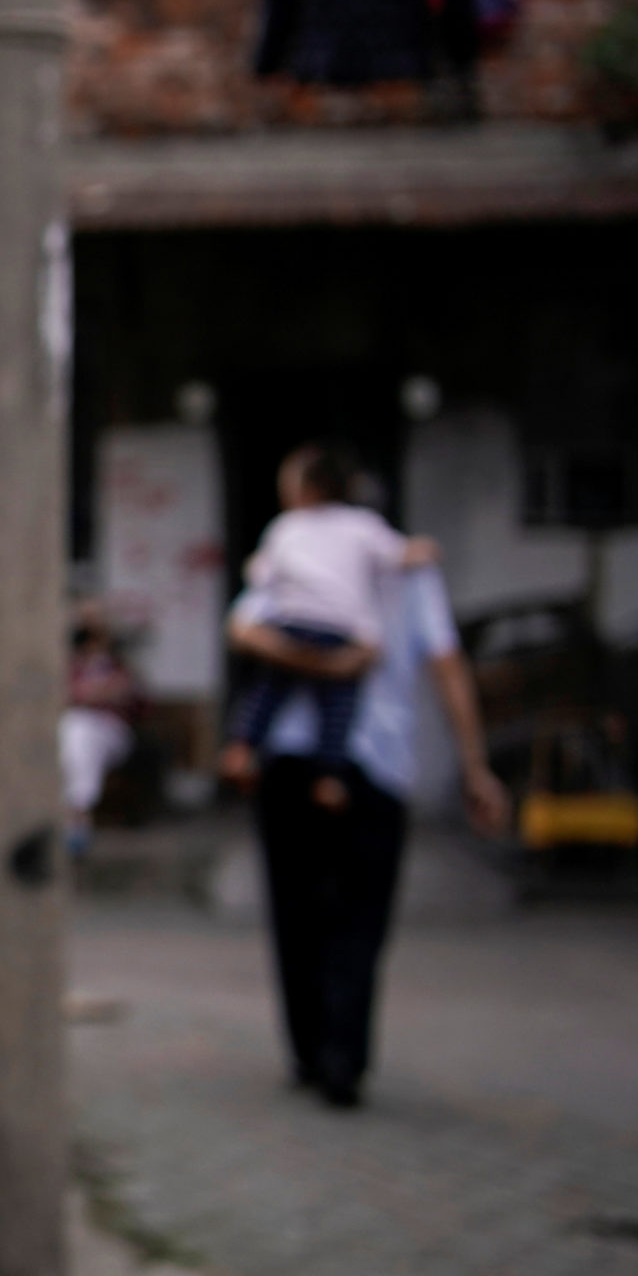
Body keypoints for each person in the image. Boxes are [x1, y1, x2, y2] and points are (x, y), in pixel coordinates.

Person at [229, 534, 509, 1111]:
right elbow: (447, 664)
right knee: (358, 919)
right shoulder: (407, 572)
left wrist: (313, 662)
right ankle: (342, 1060)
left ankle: (311, 1051)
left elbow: (247, 631)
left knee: (297, 911)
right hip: (377, 762)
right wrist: (474, 765)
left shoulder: (295, 551)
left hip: (296, 760)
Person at [219, 443, 437, 811]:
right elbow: (400, 554)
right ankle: (330, 778)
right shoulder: (362, 526)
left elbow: (259, 575)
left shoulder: (285, 527)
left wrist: (256, 566)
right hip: (339, 632)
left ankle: (241, 748)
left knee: (267, 692)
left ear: (306, 490)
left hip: (290, 624)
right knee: (338, 707)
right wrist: (424, 550)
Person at [60, 617, 140, 858]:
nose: (93, 644)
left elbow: (132, 697)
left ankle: (77, 817)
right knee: (75, 730)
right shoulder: (74, 667)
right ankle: (78, 814)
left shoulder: (118, 666)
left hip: (113, 733)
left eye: (97, 638)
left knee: (79, 730)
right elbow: (72, 695)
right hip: (77, 731)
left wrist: (97, 693)